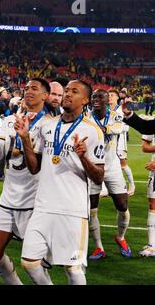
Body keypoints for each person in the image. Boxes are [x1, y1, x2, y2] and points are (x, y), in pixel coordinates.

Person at [15, 80, 105, 285]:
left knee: (73, 269)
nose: (67, 94)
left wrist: (83, 158)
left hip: (73, 209)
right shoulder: (48, 124)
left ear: (85, 100)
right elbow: (34, 167)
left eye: (74, 91)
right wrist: (26, 139)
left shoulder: (92, 131)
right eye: (66, 91)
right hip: (43, 206)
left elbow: (99, 177)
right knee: (29, 262)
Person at [0, 78, 50, 285]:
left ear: (45, 96)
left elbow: (36, 167)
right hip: (8, 198)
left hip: (34, 201)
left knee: (34, 262)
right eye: (27, 87)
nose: (29, 91)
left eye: (35, 88)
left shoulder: (48, 124)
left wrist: (26, 136)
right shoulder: (9, 120)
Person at [86, 89, 131, 260]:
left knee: (123, 206)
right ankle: (99, 247)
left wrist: (100, 128)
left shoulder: (115, 116)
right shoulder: (86, 118)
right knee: (92, 209)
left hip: (112, 167)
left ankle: (120, 237)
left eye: (100, 97)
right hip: (92, 167)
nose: (96, 100)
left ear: (107, 101)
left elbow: (118, 129)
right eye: (94, 97)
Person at [140, 131, 155, 257]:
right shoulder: (152, 123)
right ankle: (152, 244)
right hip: (154, 171)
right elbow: (145, 147)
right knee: (152, 205)